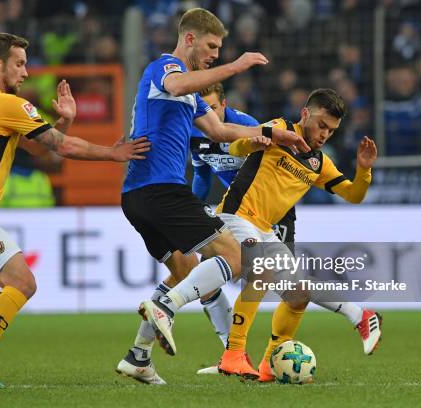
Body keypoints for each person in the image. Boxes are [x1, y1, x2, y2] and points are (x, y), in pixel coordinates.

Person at [0, 31, 150, 389]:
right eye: (20, 64)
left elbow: (39, 148)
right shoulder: (7, 104)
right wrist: (113, 154)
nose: (26, 72)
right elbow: (63, 147)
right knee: (22, 283)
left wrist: (65, 119)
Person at [116, 8, 309, 385]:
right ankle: (167, 309)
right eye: (211, 46)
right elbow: (175, 86)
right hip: (160, 187)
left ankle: (138, 356)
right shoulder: (165, 68)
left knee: (185, 270)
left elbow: (220, 130)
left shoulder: (191, 96)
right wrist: (236, 67)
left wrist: (274, 135)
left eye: (220, 49)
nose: (216, 54)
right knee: (235, 256)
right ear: (189, 39)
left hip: (138, 196)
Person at [213, 88, 379, 381]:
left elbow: (353, 195)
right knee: (260, 269)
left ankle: (358, 318)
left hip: (265, 230)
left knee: (299, 293)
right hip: (235, 216)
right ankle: (234, 353)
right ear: (305, 114)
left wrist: (363, 170)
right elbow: (233, 149)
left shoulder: (319, 163)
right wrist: (253, 141)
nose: (325, 134)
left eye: (332, 130)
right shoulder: (280, 129)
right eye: (321, 125)